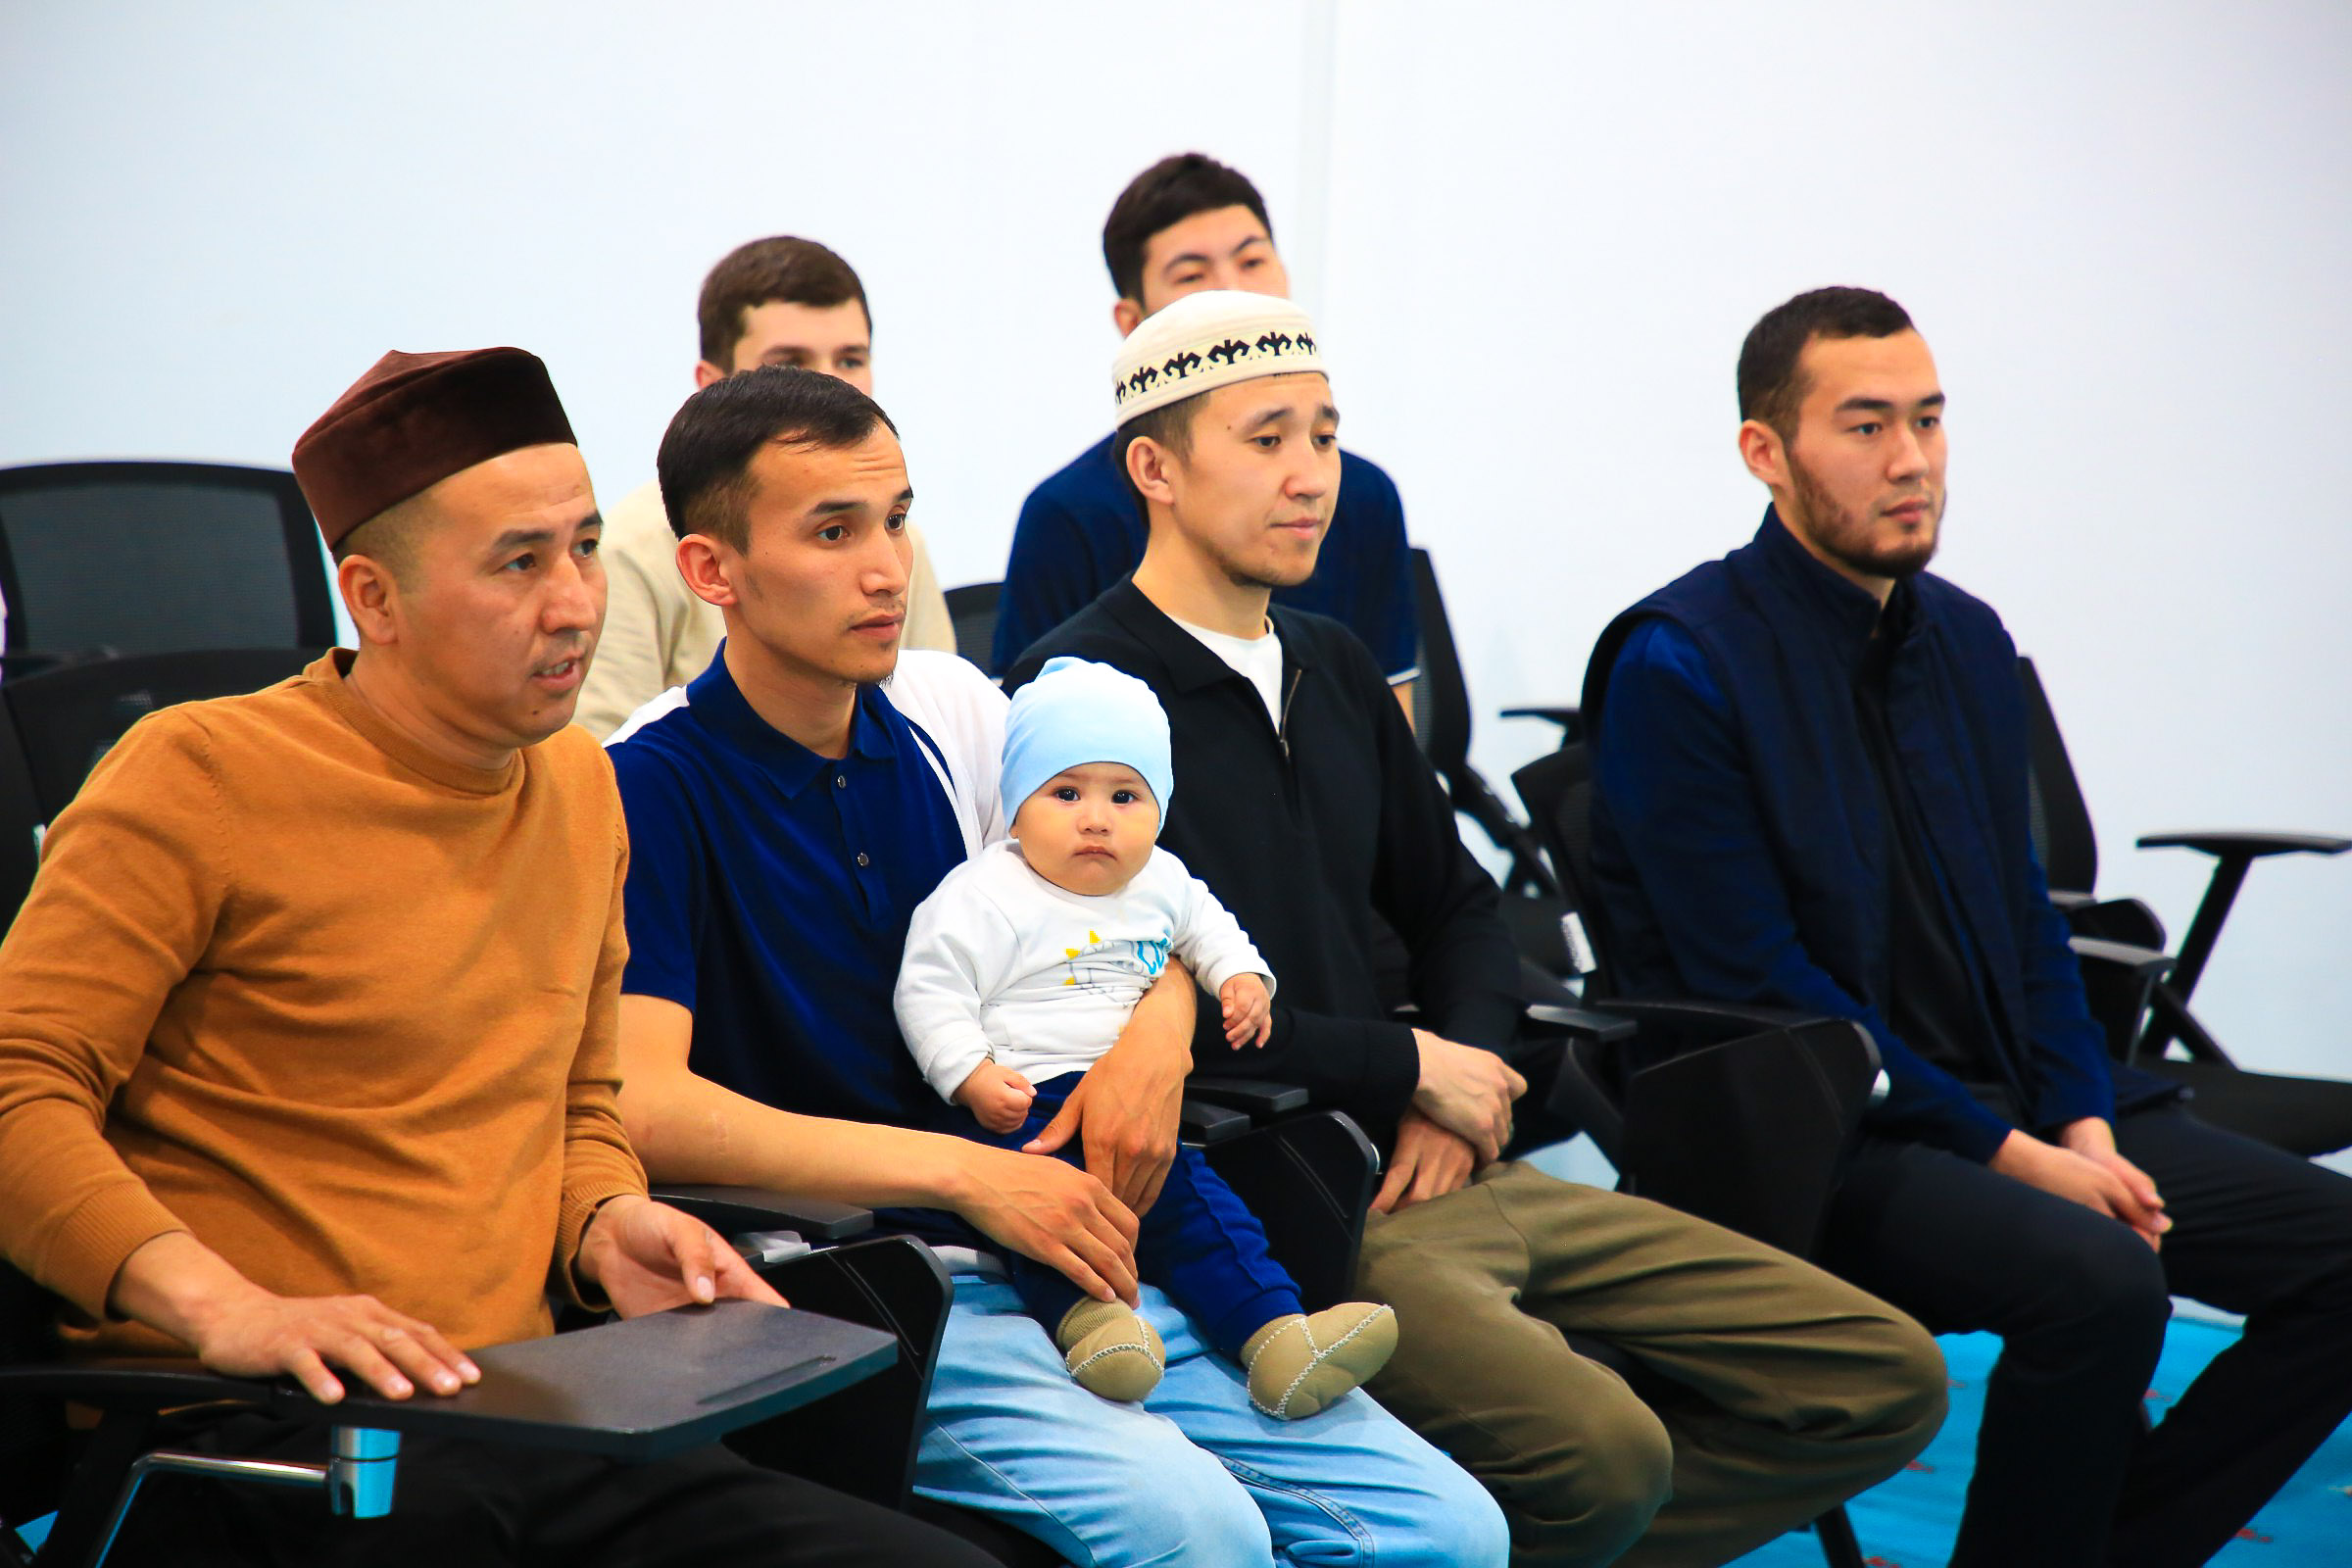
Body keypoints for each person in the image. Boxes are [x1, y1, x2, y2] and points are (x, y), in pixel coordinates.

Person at [0, 347, 989, 1567]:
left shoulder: (577, 784)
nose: (576, 604)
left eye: (585, 547)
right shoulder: (198, 775)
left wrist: (606, 1219)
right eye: (520, 562)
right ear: (374, 599)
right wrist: (225, 1306)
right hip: (263, 1435)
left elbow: (580, 1101)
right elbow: (17, 1086)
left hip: (535, 1406)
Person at [1006, 287, 1948, 1568]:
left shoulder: (1334, 663)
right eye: (1267, 439)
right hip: (1297, 1207)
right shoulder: (1079, 701)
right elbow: (1116, 1011)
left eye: (1325, 437)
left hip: (1456, 1155)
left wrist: (1457, 1080)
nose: (1313, 476)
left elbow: (1459, 906)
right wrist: (1412, 1065)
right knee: (1607, 1457)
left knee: (1884, 1374)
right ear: (1155, 471)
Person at [605, 364, 1508, 1567]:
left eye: (897, 519)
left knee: (1449, 1529)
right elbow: (646, 1106)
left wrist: (1157, 1032)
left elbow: (1138, 904)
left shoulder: (950, 708)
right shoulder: (649, 780)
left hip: (1078, 1234)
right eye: (833, 532)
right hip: (874, 1284)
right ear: (712, 571)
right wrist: (969, 1178)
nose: (888, 568)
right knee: (1200, 1533)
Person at [1582, 285, 2352, 1568]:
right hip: (1819, 1140)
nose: (1912, 460)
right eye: (1867, 425)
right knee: (2102, 1280)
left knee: (2338, 1255)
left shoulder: (1969, 642)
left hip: (2011, 1108)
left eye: (1929, 420)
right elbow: (1763, 992)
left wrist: (2082, 1118)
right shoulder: (1680, 661)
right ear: (1765, 452)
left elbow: (2028, 928)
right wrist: (2017, 1155)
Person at [896, 654, 1396, 1416]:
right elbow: (928, 990)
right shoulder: (982, 894)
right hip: (1026, 1104)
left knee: (1210, 1220)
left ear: (1159, 811)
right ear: (1016, 806)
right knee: (1051, 1227)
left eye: (1126, 796)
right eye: (1066, 793)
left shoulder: (1162, 880)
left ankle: (1277, 1338)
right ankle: (1093, 1328)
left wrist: (1243, 980)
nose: (1096, 818)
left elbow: (1213, 933)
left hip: (1143, 1107)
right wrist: (968, 1074)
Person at [992, 152, 1419, 719]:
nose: (1233, 291)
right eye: (1192, 275)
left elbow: (1389, 744)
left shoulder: (1358, 504)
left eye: (1252, 261)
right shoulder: (1069, 516)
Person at [574, 234, 954, 739]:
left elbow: (933, 713)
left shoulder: (900, 543)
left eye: (850, 360)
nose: (830, 386)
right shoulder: (632, 549)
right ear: (713, 385)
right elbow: (600, 752)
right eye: (790, 363)